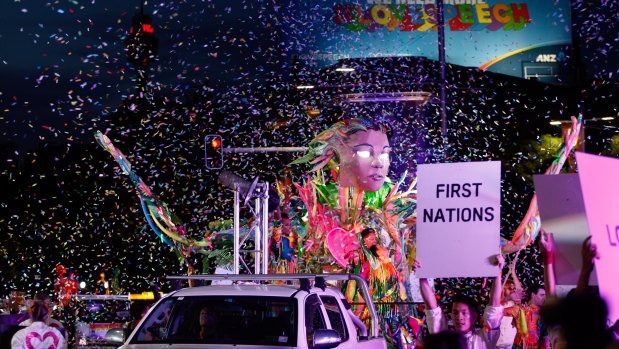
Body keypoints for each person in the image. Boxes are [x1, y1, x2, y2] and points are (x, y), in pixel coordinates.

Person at [416, 253, 505, 349]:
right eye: (455, 313)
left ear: (474, 316)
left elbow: (494, 308)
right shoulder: (446, 341)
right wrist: (422, 276)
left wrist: (498, 273)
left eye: (464, 313)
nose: (459, 317)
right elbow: (432, 311)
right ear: (451, 315)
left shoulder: (484, 339)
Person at [504, 229, 556, 349]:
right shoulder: (520, 309)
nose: (545, 298)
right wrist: (506, 298)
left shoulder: (545, 314)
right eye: (542, 295)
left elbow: (545, 338)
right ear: (533, 295)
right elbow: (497, 311)